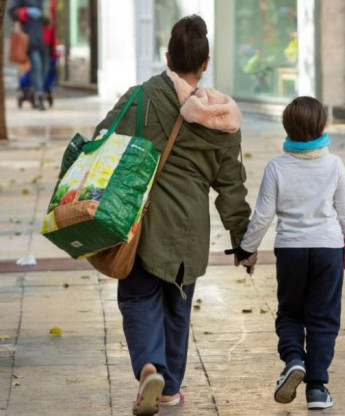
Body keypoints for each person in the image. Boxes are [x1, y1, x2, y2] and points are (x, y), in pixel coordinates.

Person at [93, 15, 252, 415]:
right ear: (205, 62)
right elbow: (231, 184)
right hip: (189, 227)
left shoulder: (142, 97)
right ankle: (169, 389)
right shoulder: (222, 117)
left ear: (167, 56)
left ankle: (149, 366)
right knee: (177, 305)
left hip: (142, 223)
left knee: (138, 297)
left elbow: (102, 142)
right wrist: (242, 240)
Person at [229, 97, 345, 410]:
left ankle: (293, 359)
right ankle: (317, 388)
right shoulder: (334, 165)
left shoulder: (277, 167)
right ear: (322, 126)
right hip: (328, 250)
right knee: (324, 318)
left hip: (291, 251)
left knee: (290, 312)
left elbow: (263, 216)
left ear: (286, 127)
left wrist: (247, 249)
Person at [10, 0, 47, 110]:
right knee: (37, 67)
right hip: (30, 39)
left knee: (44, 69)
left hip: (45, 40)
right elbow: (12, 12)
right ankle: (39, 96)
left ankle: (33, 91)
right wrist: (27, 12)